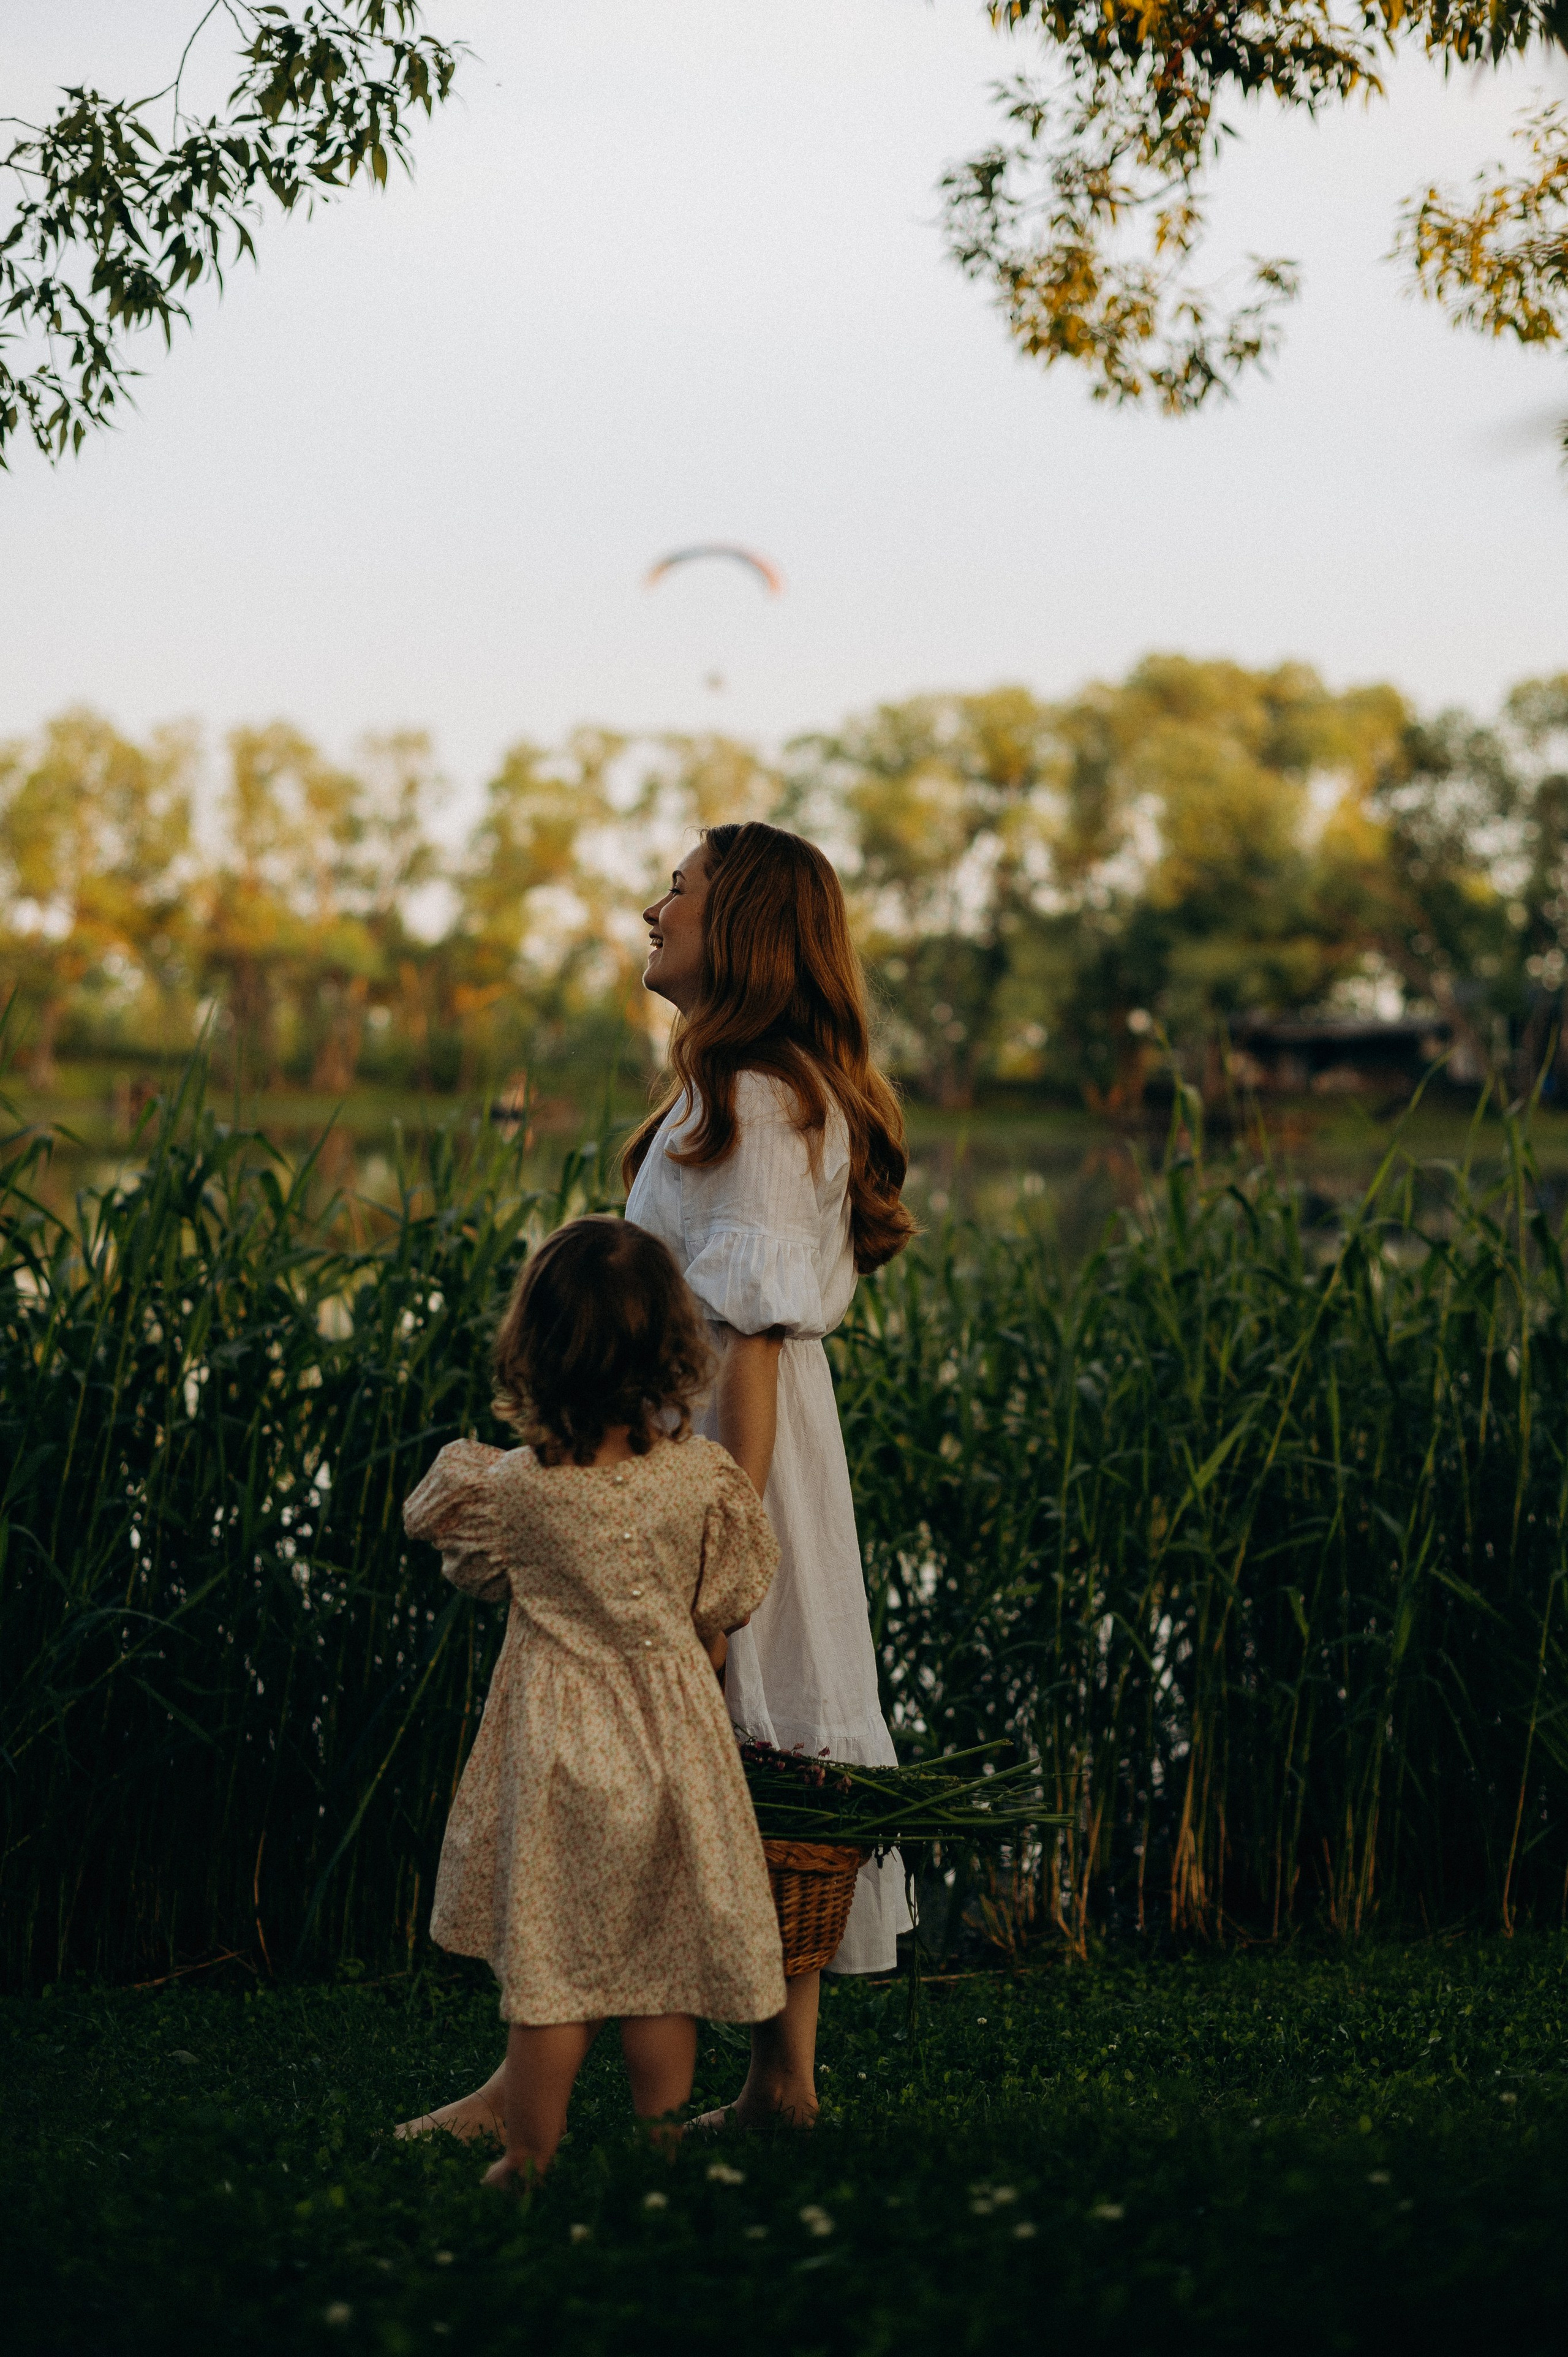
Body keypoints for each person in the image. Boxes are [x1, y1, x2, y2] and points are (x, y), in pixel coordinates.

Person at [624, 818, 916, 2128]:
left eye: (676, 891)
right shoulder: (740, 1089)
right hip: (734, 1449)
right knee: (757, 1755)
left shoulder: (748, 1099)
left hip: (728, 1457)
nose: (651, 908)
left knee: (725, 1738)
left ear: (734, 926)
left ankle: (578, 2073)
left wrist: (717, 1551)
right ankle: (779, 2082)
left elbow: (742, 1340)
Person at [396, 1216, 786, 2182]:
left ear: (536, 1349)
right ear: (671, 1348)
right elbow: (733, 1595)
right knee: (665, 1972)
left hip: (558, 1753)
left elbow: (459, 1559)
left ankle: (530, 2155)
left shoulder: (513, 1492)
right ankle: (659, 2150)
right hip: (673, 1751)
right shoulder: (703, 1482)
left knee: (554, 1982)